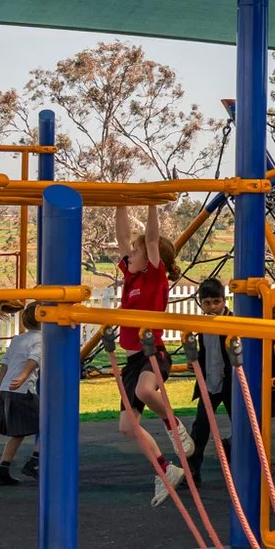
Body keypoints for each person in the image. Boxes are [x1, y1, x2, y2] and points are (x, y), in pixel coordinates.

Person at [112, 207, 186, 504]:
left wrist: (152, 203)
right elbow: (121, 237)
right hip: (132, 362)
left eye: (136, 252)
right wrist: (120, 204)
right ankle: (166, 469)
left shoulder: (155, 279)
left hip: (151, 354)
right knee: (127, 428)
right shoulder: (131, 278)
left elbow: (153, 240)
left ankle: (173, 425)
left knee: (145, 391)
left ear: (152, 260)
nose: (130, 255)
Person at [183, 275, 234, 487]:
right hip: (210, 383)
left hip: (231, 385)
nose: (212, 307)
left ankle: (236, 453)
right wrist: (195, 363)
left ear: (224, 301)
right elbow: (208, 352)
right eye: (207, 303)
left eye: (216, 302)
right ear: (200, 304)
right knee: (200, 428)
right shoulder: (203, 326)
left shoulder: (232, 322)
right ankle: (192, 472)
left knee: (243, 425)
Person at [0, 303, 43, 484]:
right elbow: (33, 359)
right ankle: (35, 461)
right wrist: (22, 377)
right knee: (53, 423)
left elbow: (4, 365)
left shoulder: (17, 339)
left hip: (7, 389)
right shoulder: (42, 339)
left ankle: (2, 470)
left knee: (18, 433)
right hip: (22, 389)